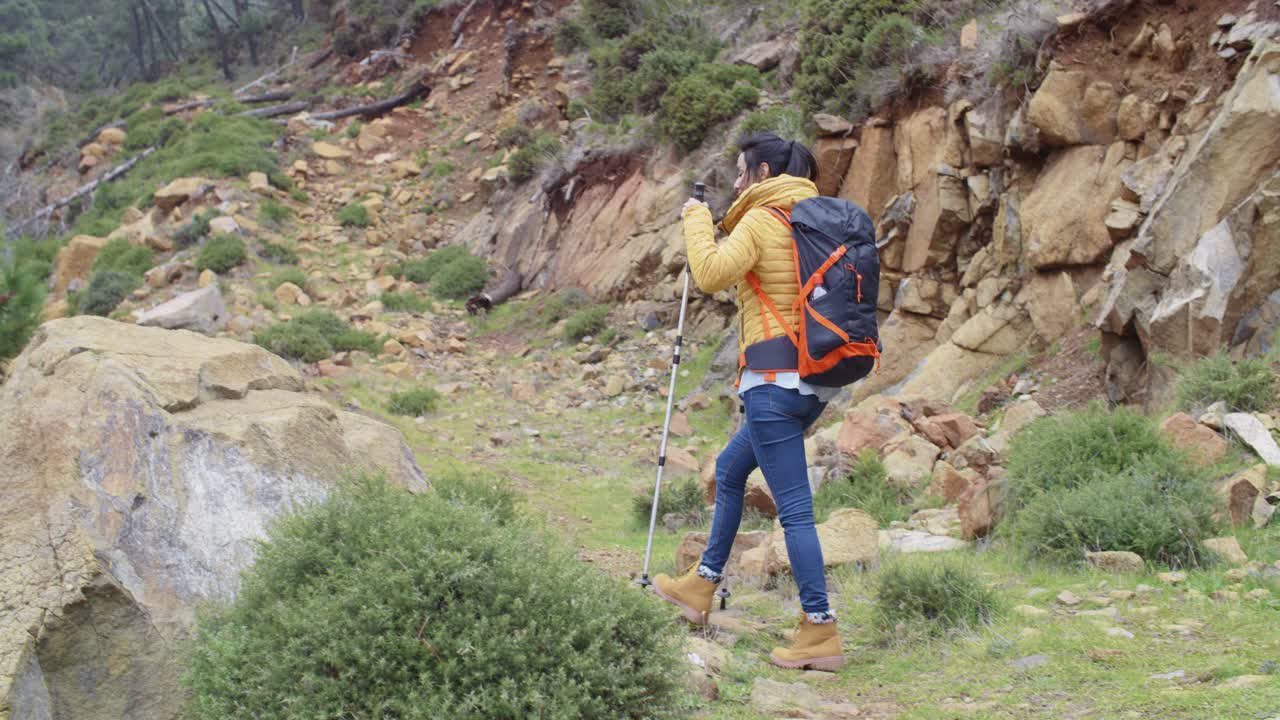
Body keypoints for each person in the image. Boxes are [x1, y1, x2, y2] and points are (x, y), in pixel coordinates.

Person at [651, 132, 844, 672]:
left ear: (762, 174)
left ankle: (820, 629)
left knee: (797, 513)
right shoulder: (814, 218)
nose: (735, 183)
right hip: (810, 385)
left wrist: (695, 220)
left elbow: (711, 274)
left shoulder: (763, 219)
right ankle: (701, 584)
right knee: (733, 471)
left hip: (773, 384)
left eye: (740, 172)